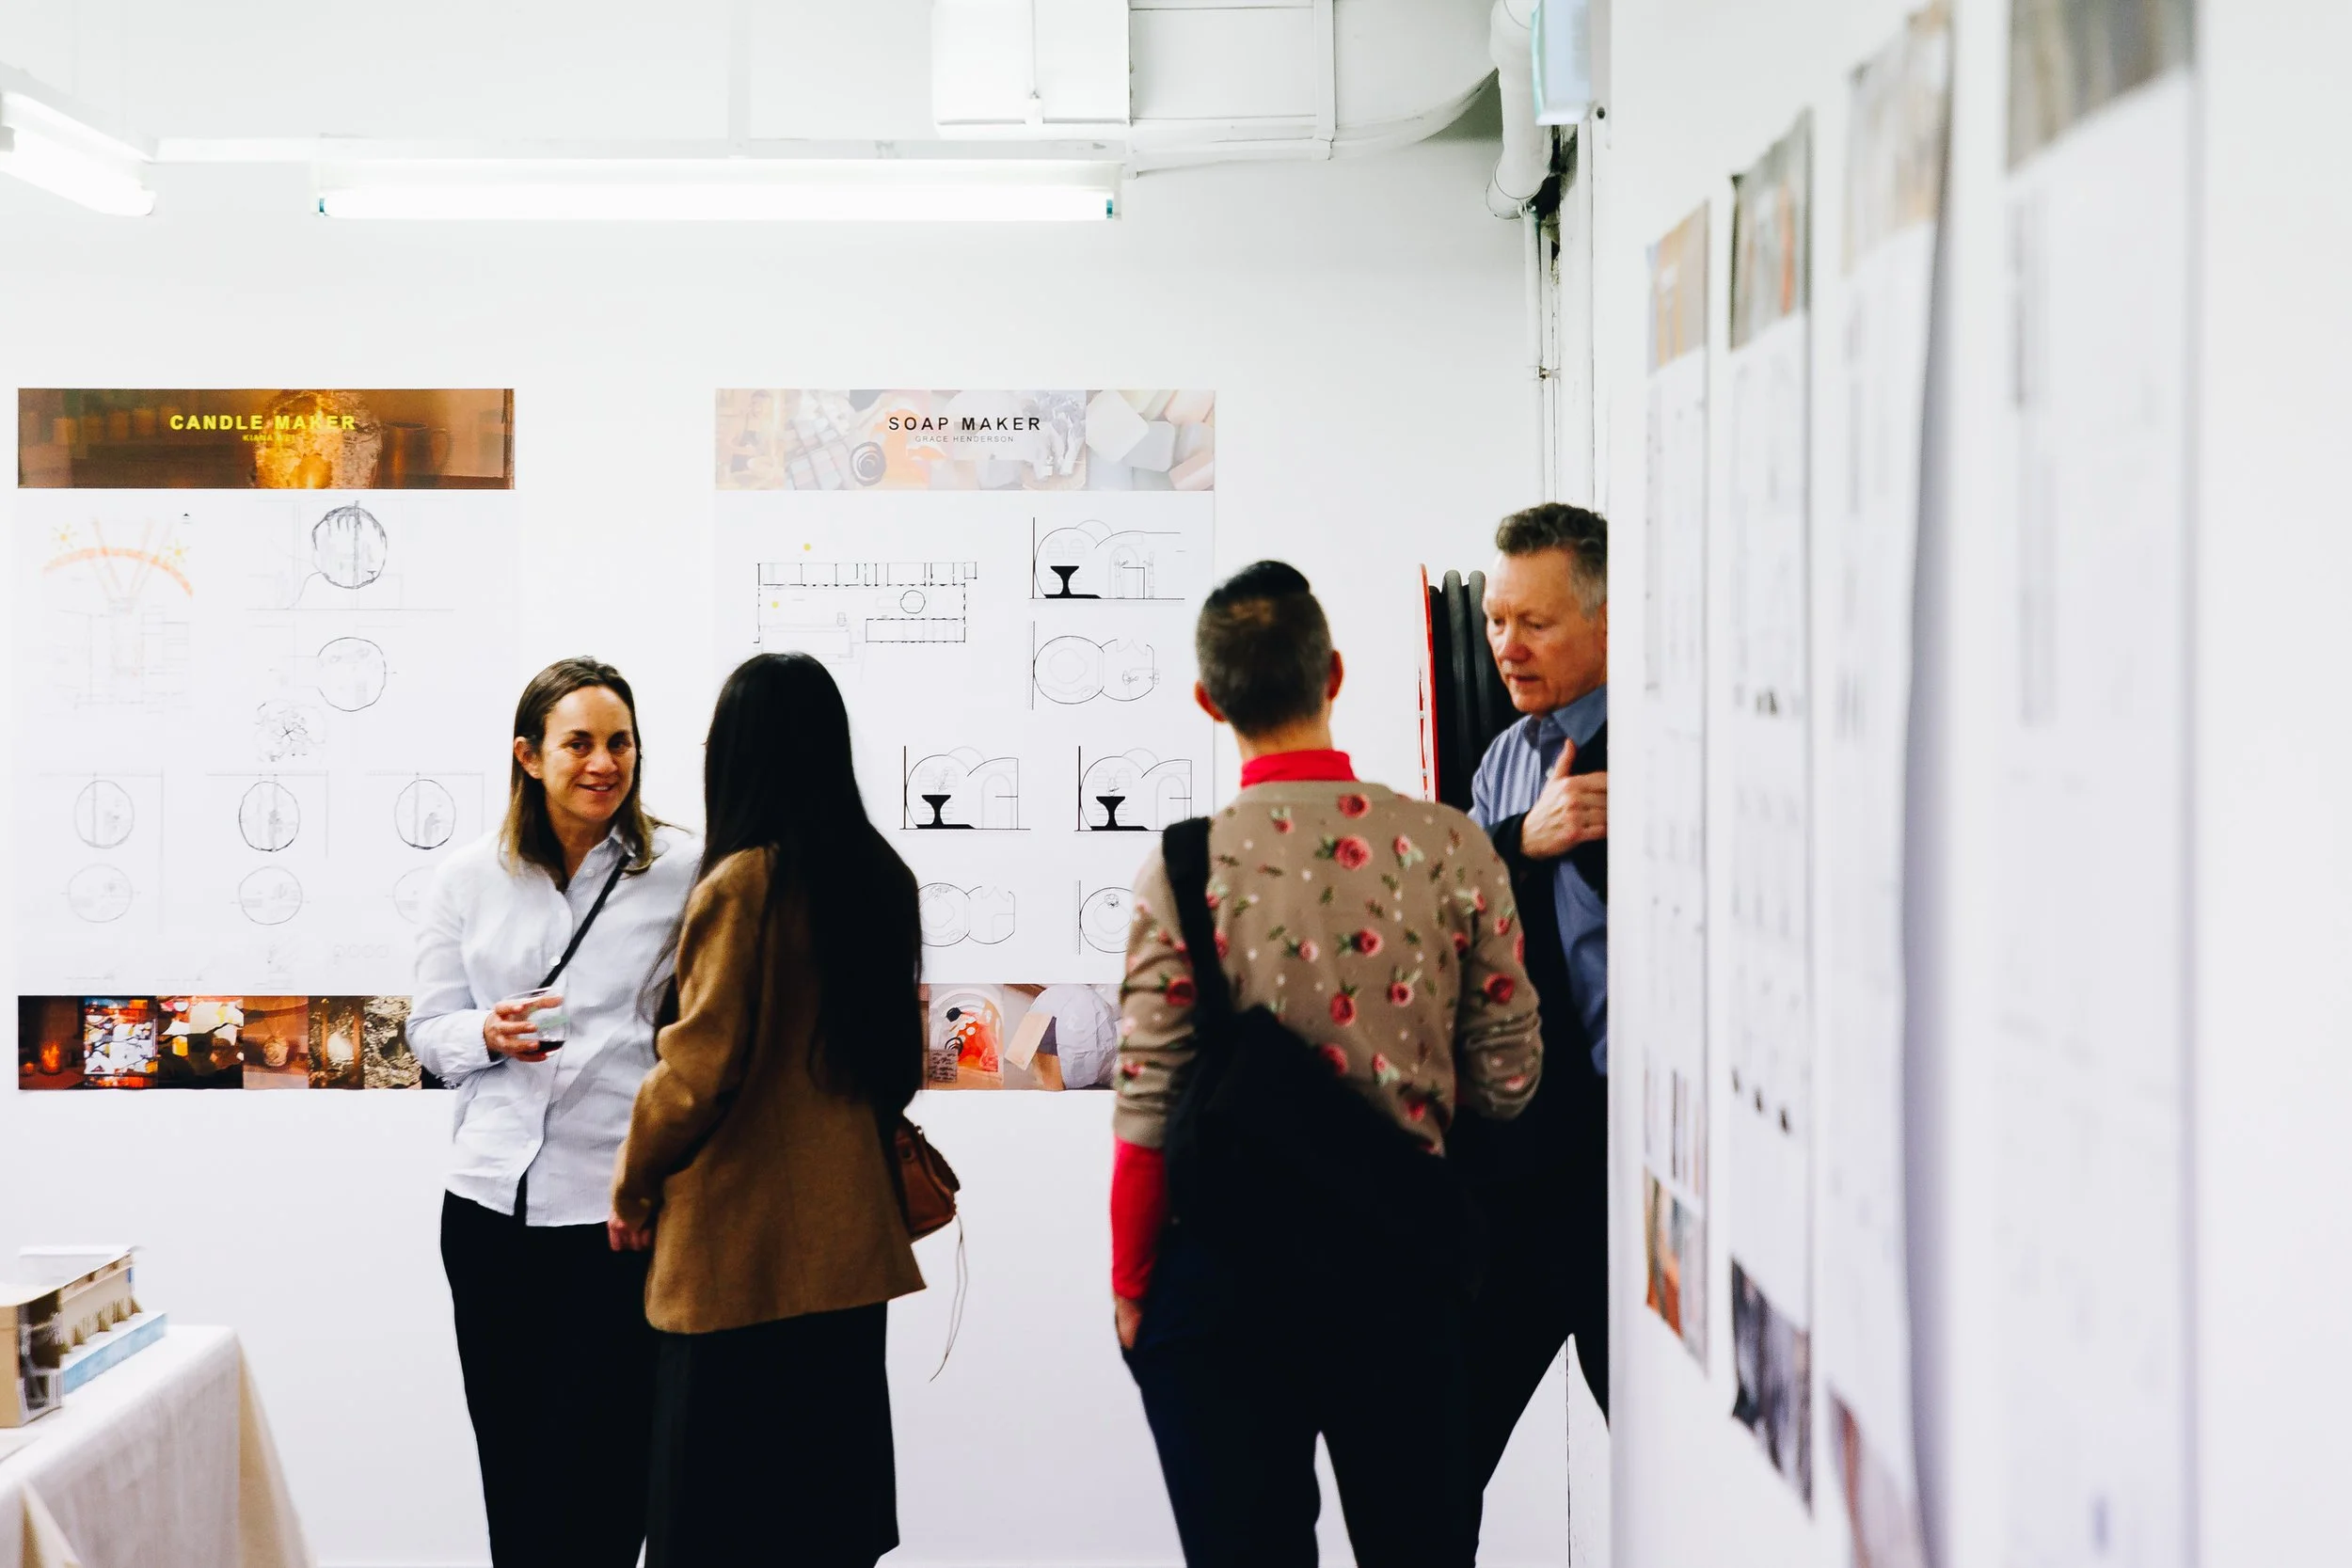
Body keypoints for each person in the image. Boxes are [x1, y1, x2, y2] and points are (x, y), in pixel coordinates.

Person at [1111, 561, 1543, 1568]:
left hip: (1223, 1277)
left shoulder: (1183, 864)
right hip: (1402, 1268)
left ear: (1207, 700)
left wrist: (1134, 1284)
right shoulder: (1448, 846)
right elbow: (1511, 1075)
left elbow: (1146, 1106)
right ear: (1334, 673)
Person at [611, 652, 927, 1568]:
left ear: (742, 753)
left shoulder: (743, 882)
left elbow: (694, 1073)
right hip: (845, 1254)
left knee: (713, 1526)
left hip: (733, 1264)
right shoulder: (879, 877)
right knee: (822, 1522)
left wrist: (631, 1187)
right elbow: (895, 1070)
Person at [408, 657, 699, 1568]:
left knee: (614, 1478)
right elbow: (426, 1029)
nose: (604, 761)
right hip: (491, 1215)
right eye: (579, 742)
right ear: (529, 755)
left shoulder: (685, 867)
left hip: (621, 1218)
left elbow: (705, 1032)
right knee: (519, 1471)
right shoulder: (467, 878)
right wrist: (485, 1034)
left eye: (620, 741)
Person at [1458, 502, 1613, 1529]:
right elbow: (1449, 914)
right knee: (1434, 1454)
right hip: (1516, 1161)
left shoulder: (1676, 743)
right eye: (1495, 620)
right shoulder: (1504, 760)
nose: (1507, 646)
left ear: (1607, 624)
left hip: (1622, 1155)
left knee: (1677, 1455)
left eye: (1536, 623)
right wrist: (1525, 834)